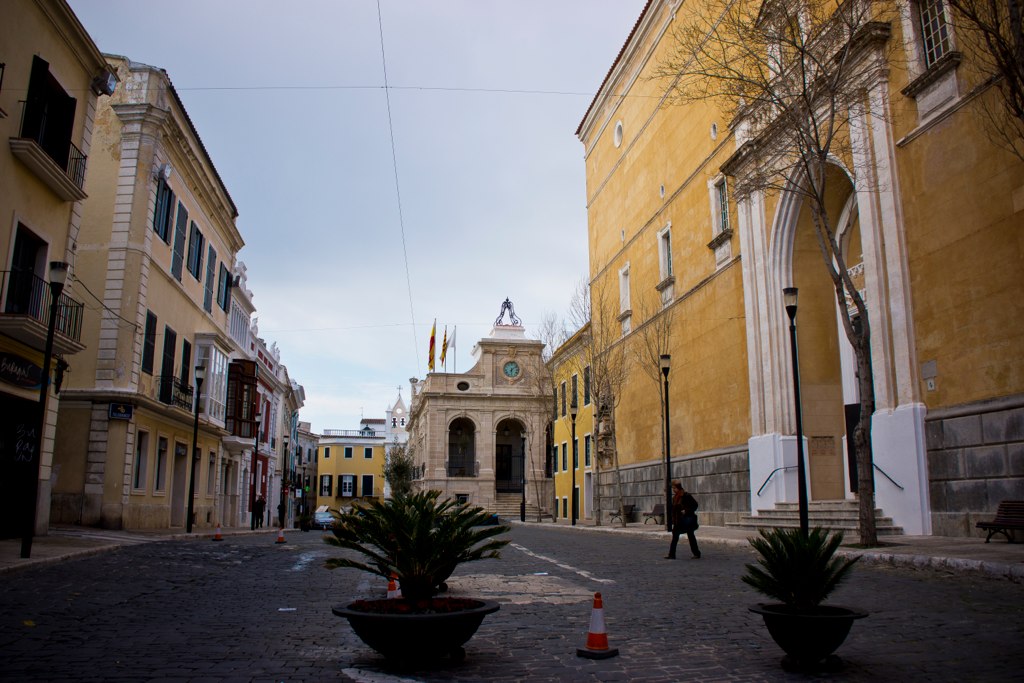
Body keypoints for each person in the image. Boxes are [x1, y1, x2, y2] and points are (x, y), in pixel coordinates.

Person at [665, 481, 701, 559]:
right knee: (675, 537)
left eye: (674, 488)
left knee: (691, 536)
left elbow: (695, 505)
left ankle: (696, 553)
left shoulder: (686, 495)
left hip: (687, 520)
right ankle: (672, 554)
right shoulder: (675, 497)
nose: (673, 490)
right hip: (679, 521)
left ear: (678, 487)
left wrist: (686, 510)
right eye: (673, 488)